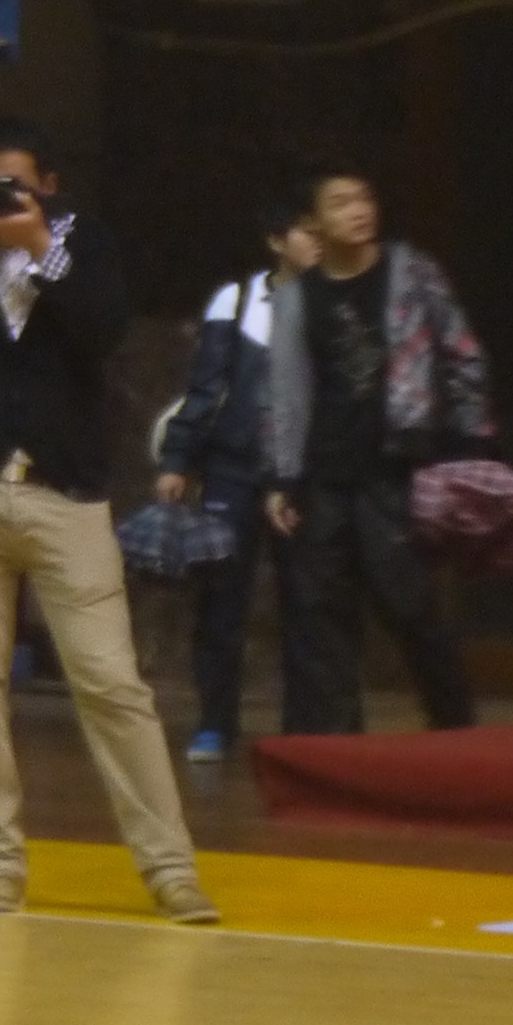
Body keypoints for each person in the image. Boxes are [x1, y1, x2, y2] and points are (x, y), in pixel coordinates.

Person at [0, 117, 213, 924]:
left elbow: (103, 330)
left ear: (47, 185)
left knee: (111, 682)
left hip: (64, 490)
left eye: (13, 183)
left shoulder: (87, 244)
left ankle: (171, 869)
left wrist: (39, 244)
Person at [260, 164, 487, 737]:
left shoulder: (411, 273)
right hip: (324, 475)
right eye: (340, 203)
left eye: (364, 198)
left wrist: (471, 438)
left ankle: (456, 726)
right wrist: (283, 477)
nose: (358, 211)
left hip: (396, 469)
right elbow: (286, 391)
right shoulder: (296, 297)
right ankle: (338, 745)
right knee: (321, 616)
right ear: (314, 221)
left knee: (410, 605)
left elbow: (462, 351)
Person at [155, 189, 318, 758]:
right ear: (276, 241)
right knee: (222, 600)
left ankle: (304, 730)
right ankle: (214, 723)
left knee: (306, 602)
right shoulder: (237, 298)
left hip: (304, 475)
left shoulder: (336, 302)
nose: (319, 244)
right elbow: (207, 385)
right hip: (234, 469)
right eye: (308, 232)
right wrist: (179, 460)